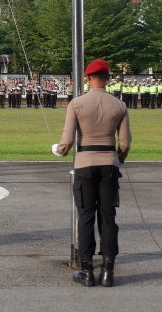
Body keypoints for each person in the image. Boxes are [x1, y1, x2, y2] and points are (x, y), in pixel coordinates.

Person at [54, 59, 131, 288]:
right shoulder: (119, 105)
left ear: (88, 79)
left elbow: (67, 141)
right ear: (108, 78)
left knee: (86, 217)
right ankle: (108, 271)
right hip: (109, 163)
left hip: (85, 164)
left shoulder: (77, 104)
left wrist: (59, 151)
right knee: (108, 218)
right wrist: (120, 158)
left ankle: (86, 271)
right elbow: (125, 143)